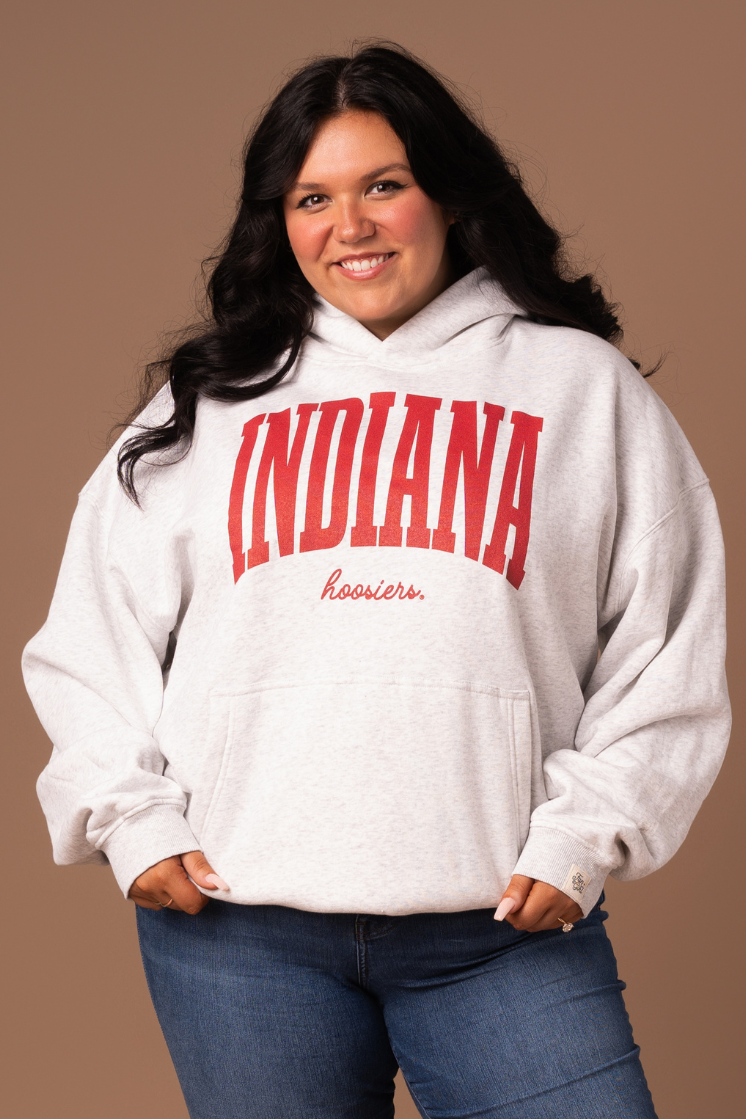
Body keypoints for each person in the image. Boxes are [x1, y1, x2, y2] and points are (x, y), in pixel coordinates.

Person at [22, 43, 730, 1119]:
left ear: (444, 192)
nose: (347, 227)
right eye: (312, 197)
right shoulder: (208, 406)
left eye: (381, 186)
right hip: (239, 932)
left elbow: (665, 644)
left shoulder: (577, 393)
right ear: (279, 220)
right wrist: (129, 820)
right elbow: (90, 635)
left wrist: (586, 835)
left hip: (497, 927)